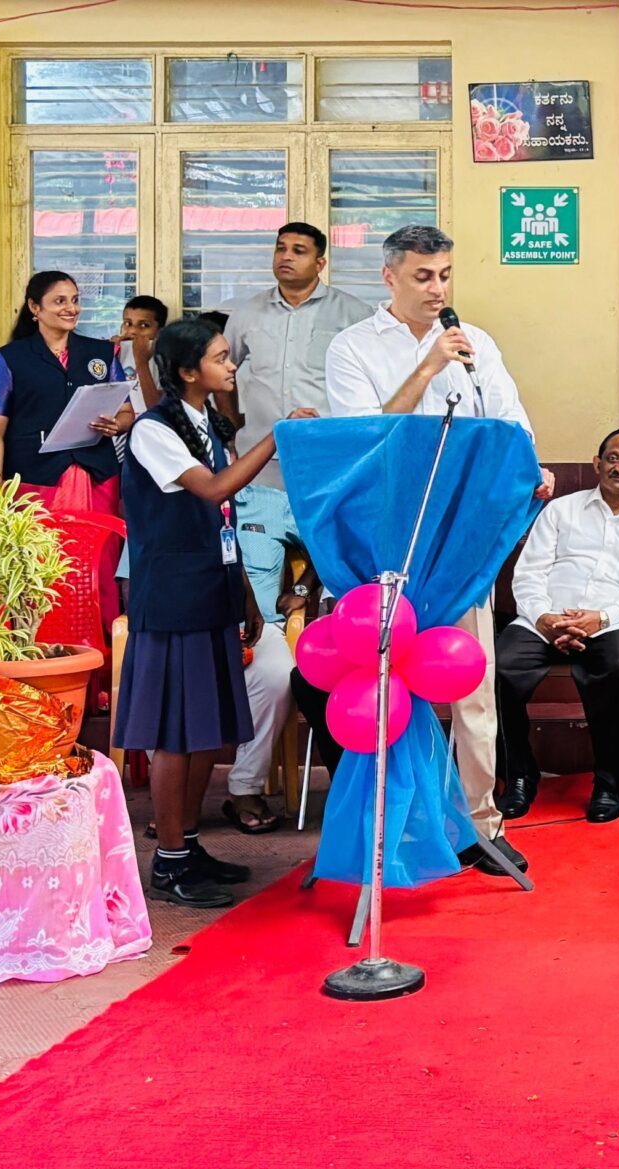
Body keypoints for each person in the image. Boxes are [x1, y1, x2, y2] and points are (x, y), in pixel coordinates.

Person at [326, 224, 554, 876]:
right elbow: (364, 439)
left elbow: (509, 423)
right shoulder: (352, 347)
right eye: (423, 276)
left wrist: (530, 468)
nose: (438, 289)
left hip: (462, 533)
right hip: (390, 539)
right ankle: (394, 824)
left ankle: (481, 826)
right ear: (389, 276)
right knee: (387, 684)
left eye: (446, 275)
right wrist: (427, 366)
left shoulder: (476, 341)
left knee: (472, 683)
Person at [113, 317, 308, 907]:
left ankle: (189, 845)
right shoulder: (153, 430)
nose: (231, 366)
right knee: (175, 734)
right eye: (221, 357)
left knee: (203, 731)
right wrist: (277, 437)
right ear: (187, 371)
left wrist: (245, 592)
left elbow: (224, 523)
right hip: (173, 599)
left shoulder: (206, 425)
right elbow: (214, 490)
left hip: (212, 592)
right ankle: (169, 863)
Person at [214, 224, 373, 832]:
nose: (285, 258)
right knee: (257, 599)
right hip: (255, 474)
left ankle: (352, 778)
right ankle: (243, 787)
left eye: (298, 250)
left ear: (321, 261)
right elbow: (226, 380)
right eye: (279, 248)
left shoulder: (353, 315)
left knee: (332, 588)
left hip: (326, 477)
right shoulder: (247, 314)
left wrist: (303, 589)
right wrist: (237, 436)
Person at [498, 428, 619, 825]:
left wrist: (601, 618)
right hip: (545, 617)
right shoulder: (561, 510)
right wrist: (544, 617)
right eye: (613, 458)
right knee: (500, 669)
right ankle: (518, 775)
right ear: (598, 463)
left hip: (615, 621)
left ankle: (608, 783)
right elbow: (529, 572)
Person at [0, 271, 133, 618]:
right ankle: (43, 644)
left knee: (98, 563)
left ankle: (99, 645)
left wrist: (117, 424)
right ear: (35, 308)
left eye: (75, 300)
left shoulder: (100, 353)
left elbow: (127, 411)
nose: (71, 308)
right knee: (41, 567)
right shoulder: (9, 358)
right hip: (36, 482)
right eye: (60, 301)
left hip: (98, 479)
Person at [116, 294, 166, 412]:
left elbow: (157, 409)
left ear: (159, 331)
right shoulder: (117, 351)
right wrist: (110, 358)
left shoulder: (166, 358)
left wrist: (141, 362)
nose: (133, 331)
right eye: (128, 323)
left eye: (144, 325)